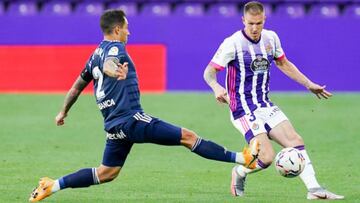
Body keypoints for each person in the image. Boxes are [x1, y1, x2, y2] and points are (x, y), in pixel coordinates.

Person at [28, 9, 260, 202]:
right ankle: (243, 158)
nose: (129, 31)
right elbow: (110, 63)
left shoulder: (93, 56)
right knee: (187, 137)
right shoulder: (114, 49)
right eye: (126, 27)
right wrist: (113, 70)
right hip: (131, 120)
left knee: (107, 172)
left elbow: (76, 87)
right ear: (117, 29)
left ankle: (53, 185)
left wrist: (63, 111)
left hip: (114, 127)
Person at [203, 1, 344, 200]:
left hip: (264, 104)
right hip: (242, 108)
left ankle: (315, 190)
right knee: (266, 158)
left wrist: (308, 84)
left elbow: (283, 63)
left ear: (264, 20)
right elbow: (208, 72)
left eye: (258, 23)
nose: (254, 28)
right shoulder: (232, 43)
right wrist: (216, 86)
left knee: (295, 141)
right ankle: (240, 172)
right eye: (250, 23)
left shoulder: (271, 38)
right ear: (243, 20)